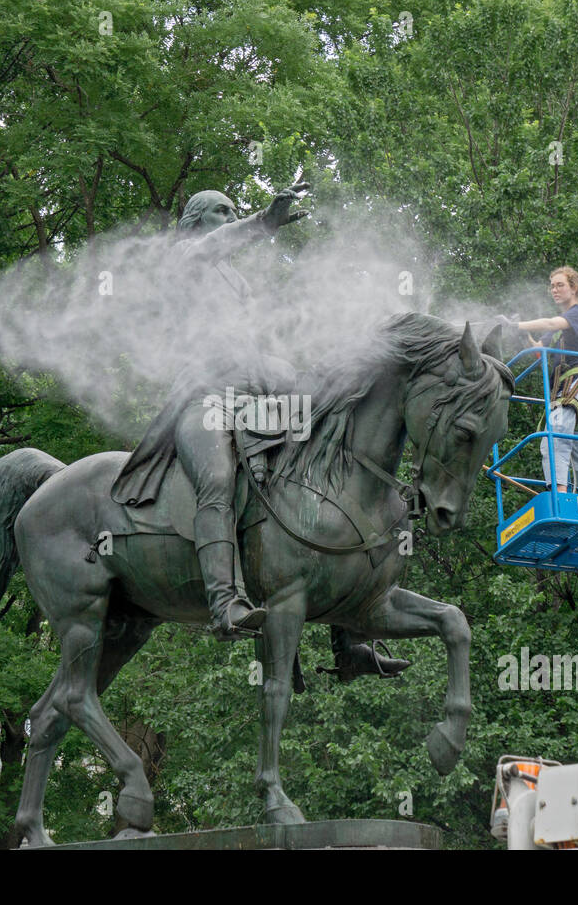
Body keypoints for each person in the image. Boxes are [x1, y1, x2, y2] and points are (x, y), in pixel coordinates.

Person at [110, 188, 406, 677]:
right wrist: (260, 222)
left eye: (232, 210)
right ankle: (226, 604)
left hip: (256, 403)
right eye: (220, 212)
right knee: (218, 481)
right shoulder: (188, 257)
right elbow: (217, 245)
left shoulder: (239, 283)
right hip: (205, 402)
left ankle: (349, 638)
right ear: (195, 221)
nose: (228, 217)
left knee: (329, 466)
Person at [517, 266, 578, 495]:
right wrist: (522, 334)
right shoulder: (555, 329)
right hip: (568, 390)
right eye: (552, 285)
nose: (555, 289)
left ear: (573, 288)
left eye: (560, 284)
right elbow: (538, 351)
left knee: (554, 436)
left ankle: (560, 497)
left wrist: (517, 325)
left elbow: (553, 324)